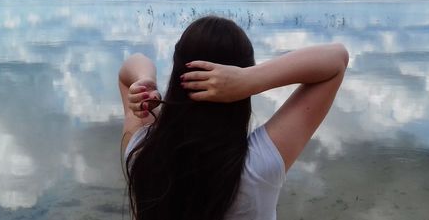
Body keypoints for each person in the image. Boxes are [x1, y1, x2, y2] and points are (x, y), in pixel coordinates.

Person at [118, 16, 348, 220]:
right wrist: (251, 80)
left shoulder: (141, 151)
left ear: (177, 74)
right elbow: (336, 59)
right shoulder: (257, 167)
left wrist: (145, 79)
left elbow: (129, 69)